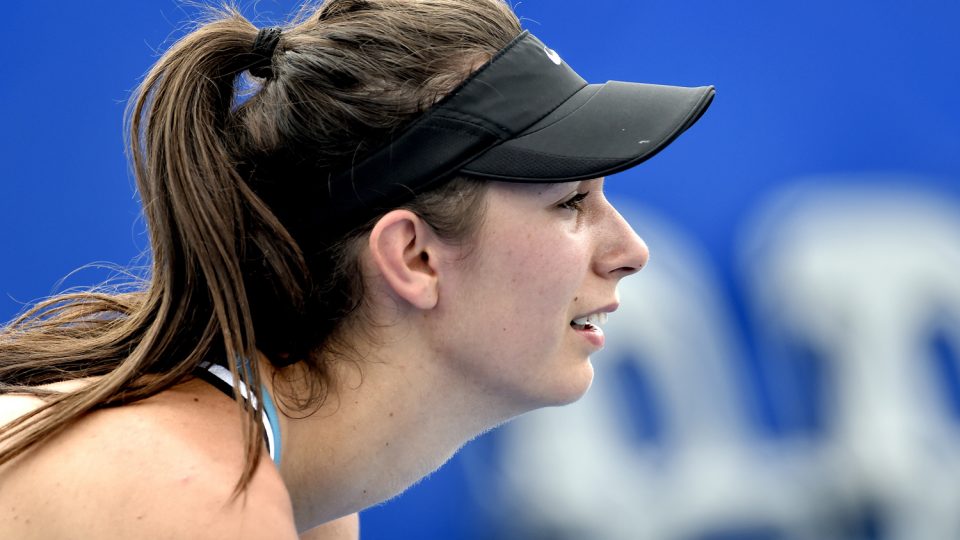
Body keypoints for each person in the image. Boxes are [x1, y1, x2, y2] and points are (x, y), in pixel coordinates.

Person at [0, 0, 713, 538]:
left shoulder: (299, 498)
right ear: (413, 257)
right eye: (572, 201)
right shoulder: (197, 499)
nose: (631, 250)